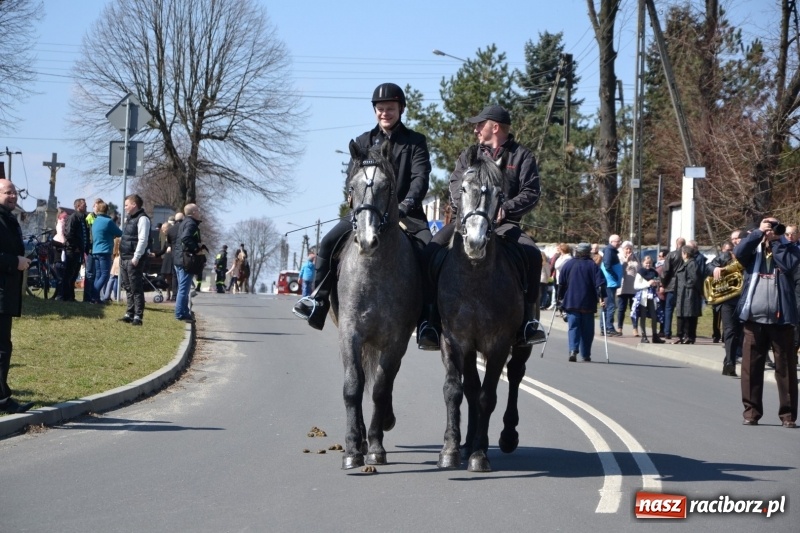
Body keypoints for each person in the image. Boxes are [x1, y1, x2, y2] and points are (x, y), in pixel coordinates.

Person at [293, 83, 432, 332]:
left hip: (405, 215)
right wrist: (353, 200)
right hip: (367, 212)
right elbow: (351, 180)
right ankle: (318, 300)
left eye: (390, 108)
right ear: (374, 111)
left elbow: (420, 179)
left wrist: (405, 205)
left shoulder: (415, 142)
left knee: (429, 252)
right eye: (380, 109)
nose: (384, 113)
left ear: (401, 109)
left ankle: (427, 319)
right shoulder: (362, 142)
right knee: (327, 242)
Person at [418, 104, 544, 349]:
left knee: (533, 255)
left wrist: (506, 207)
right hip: (465, 224)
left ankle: (528, 323)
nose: (475, 129)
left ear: (494, 127)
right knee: (430, 252)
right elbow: (455, 183)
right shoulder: (470, 155)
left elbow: (531, 191)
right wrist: (465, 209)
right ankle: (430, 321)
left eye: (479, 124)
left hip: (503, 226)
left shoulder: (522, 156)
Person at [734, 218, 798, 428]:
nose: (771, 232)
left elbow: (789, 265)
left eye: (775, 229)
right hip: (754, 319)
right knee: (751, 368)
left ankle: (788, 416)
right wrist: (757, 233)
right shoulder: (754, 250)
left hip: (781, 320)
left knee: (785, 369)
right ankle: (751, 413)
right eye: (769, 228)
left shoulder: (789, 249)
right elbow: (739, 252)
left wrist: (779, 240)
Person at [0, 179, 34, 414]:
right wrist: (16, 262)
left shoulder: (7, 217)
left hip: (6, 292)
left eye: (15, 192)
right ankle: (2, 400)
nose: (13, 196)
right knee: (1, 348)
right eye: (7, 192)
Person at [557, 243, 606, 362]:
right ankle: (586, 354)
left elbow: (561, 283)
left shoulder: (568, 264)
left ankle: (573, 350)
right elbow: (600, 284)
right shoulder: (592, 266)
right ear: (588, 252)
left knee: (573, 327)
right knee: (587, 330)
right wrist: (602, 297)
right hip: (587, 303)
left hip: (571, 302)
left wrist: (559, 298)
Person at [710, 231, 746, 376]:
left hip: (745, 300)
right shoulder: (726, 256)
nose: (736, 241)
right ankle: (730, 363)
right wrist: (715, 268)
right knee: (730, 330)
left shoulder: (750, 255)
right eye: (733, 239)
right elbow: (708, 266)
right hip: (729, 300)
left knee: (740, 332)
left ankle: (729, 359)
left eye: (738, 238)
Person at [118, 194, 151, 326]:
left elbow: (143, 239)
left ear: (134, 205)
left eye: (126, 205)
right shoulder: (129, 219)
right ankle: (129, 313)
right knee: (127, 286)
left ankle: (138, 315)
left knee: (136, 287)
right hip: (124, 257)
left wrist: (136, 257)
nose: (125, 207)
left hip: (133, 258)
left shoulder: (142, 219)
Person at [173, 203, 204, 322]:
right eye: (198, 210)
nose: (199, 212)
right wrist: (196, 249)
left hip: (179, 259)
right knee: (184, 289)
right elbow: (186, 238)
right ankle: (180, 314)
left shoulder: (184, 222)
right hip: (185, 260)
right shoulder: (190, 224)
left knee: (183, 288)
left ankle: (185, 311)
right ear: (193, 212)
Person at [90, 200, 122, 304]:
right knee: (105, 274)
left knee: (98, 275)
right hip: (105, 251)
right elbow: (119, 233)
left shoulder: (95, 221)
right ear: (106, 210)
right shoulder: (108, 222)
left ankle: (95, 298)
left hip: (95, 250)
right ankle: (94, 295)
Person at [632, 254, 664, 343]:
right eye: (646, 263)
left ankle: (655, 336)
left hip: (652, 296)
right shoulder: (640, 272)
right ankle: (644, 336)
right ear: (643, 263)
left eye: (650, 263)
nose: (648, 265)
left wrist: (657, 283)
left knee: (654, 315)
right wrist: (648, 283)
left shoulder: (654, 272)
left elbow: (658, 281)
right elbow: (636, 286)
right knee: (643, 316)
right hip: (643, 296)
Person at [61, 198, 89, 302]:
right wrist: (75, 247)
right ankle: (65, 296)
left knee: (74, 274)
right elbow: (69, 233)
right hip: (72, 250)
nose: (86, 207)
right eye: (84, 205)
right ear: (78, 206)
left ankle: (71, 296)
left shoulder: (83, 218)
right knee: (69, 274)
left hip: (80, 250)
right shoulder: (73, 217)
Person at [674, 245, 702, 344]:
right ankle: (680, 336)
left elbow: (695, 278)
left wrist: (689, 286)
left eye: (682, 253)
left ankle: (689, 336)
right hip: (683, 293)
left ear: (685, 254)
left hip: (689, 293)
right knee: (682, 314)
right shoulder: (685, 263)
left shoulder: (692, 264)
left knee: (689, 315)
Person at [660, 237, 687, 339]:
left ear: (676, 244)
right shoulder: (687, 256)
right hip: (682, 285)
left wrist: (663, 284)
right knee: (681, 309)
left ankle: (667, 332)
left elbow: (665, 271)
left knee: (668, 309)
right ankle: (682, 332)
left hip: (671, 285)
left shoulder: (671, 255)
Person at [600, 234, 622, 336]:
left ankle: (604, 327)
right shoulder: (609, 251)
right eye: (618, 241)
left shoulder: (611, 251)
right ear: (612, 241)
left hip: (610, 282)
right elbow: (607, 265)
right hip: (609, 283)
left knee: (606, 305)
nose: (619, 243)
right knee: (610, 305)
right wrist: (615, 276)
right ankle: (608, 327)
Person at [617, 241, 639, 335]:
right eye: (627, 248)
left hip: (633, 287)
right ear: (623, 249)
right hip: (623, 287)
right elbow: (620, 271)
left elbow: (639, 269)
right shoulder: (619, 258)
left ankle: (635, 328)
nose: (628, 250)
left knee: (633, 309)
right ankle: (619, 327)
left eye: (630, 248)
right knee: (622, 308)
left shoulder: (636, 258)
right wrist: (626, 261)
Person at [101, 237, 121, 303]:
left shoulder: (114, 242)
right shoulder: (119, 241)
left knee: (112, 279)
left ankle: (107, 296)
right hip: (119, 261)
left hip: (115, 260)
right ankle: (116, 296)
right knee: (116, 280)